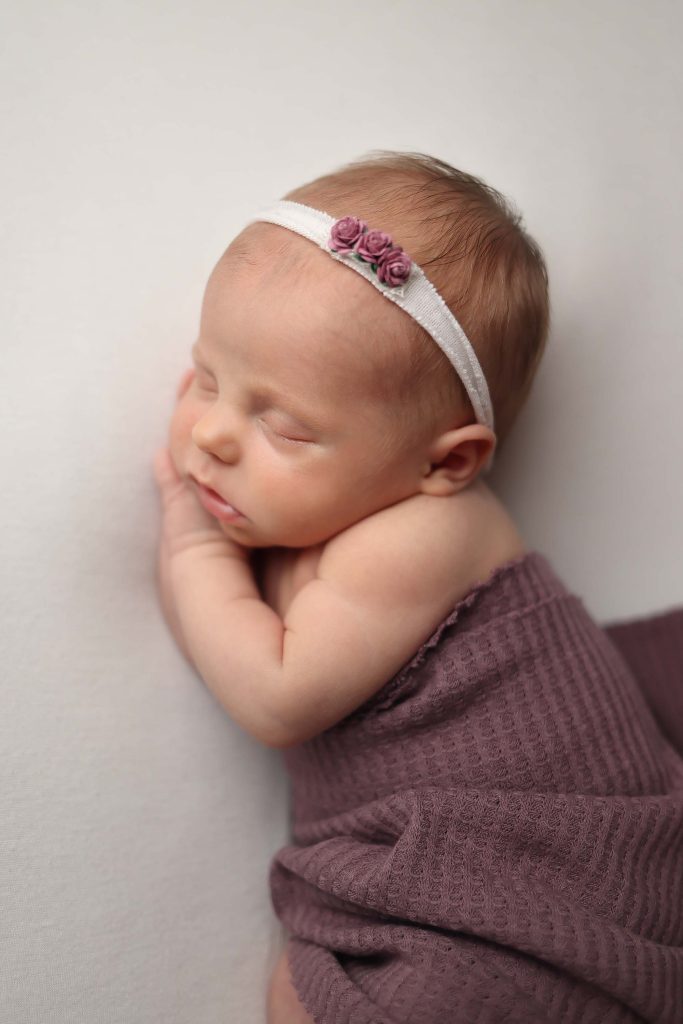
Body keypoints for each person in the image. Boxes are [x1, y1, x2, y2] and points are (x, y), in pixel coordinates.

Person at [153, 151, 683, 1023]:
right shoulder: (330, 517)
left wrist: (189, 546)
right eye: (206, 376)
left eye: (282, 426)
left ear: (446, 462)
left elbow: (275, 694)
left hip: (546, 886)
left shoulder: (425, 536)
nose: (210, 433)